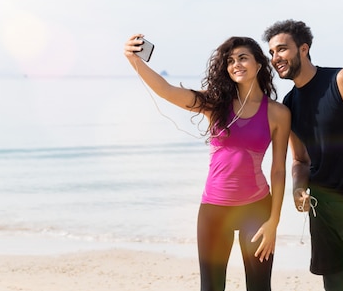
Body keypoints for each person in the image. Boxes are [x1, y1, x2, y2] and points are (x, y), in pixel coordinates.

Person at [124, 34, 290, 291]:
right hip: (214, 210)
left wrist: (274, 222)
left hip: (257, 209)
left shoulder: (278, 113)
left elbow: (279, 170)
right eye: (230, 60)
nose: (236, 64)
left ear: (259, 64)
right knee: (211, 287)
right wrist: (134, 60)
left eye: (243, 58)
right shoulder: (215, 104)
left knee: (259, 287)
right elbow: (168, 91)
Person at [262, 20, 343, 291]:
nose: (275, 58)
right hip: (321, 210)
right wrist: (298, 188)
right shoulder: (289, 105)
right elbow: (300, 160)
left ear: (303, 49)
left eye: (282, 50)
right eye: (272, 53)